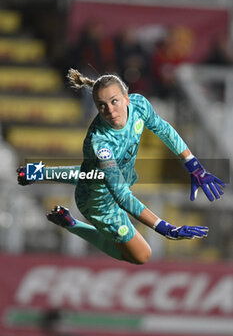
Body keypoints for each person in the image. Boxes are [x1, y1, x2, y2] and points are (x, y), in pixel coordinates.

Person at [17, 69, 226, 265]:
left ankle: (39, 171)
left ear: (127, 98)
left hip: (112, 175)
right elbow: (121, 196)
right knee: (141, 255)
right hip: (99, 202)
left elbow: (164, 130)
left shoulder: (139, 106)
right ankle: (71, 224)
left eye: (114, 101)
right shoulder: (100, 142)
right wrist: (166, 228)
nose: (109, 110)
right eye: (101, 105)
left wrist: (193, 165)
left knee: (94, 174)